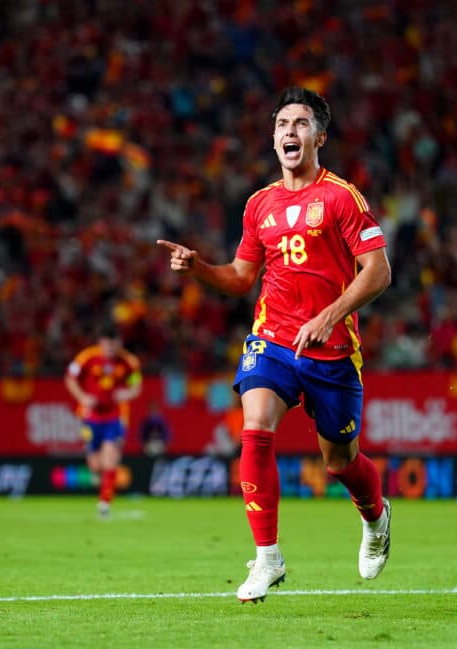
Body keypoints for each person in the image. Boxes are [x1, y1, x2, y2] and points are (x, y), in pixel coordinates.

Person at [157, 87, 392, 603]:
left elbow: (379, 271)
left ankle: (375, 517)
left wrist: (331, 315)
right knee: (255, 425)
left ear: (319, 138)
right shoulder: (258, 204)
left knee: (339, 462)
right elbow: (243, 277)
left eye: (301, 123)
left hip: (331, 351)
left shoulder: (341, 197)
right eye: (282, 123)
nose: (289, 130)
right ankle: (267, 558)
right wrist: (198, 268)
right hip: (274, 340)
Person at [64, 323, 142, 518]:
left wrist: (127, 393)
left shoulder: (128, 362)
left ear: (119, 343)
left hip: (115, 417)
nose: (110, 349)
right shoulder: (86, 358)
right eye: (107, 345)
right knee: (95, 465)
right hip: (90, 417)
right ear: (100, 343)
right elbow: (70, 379)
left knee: (110, 459)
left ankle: (104, 505)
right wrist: (82, 397)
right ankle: (104, 490)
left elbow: (136, 386)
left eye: (113, 344)